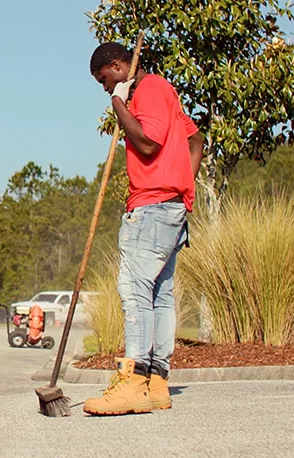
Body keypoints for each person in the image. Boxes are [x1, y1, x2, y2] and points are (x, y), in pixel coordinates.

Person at [84, 42, 203, 416]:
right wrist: (183, 182)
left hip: (152, 206)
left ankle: (133, 381)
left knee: (134, 290)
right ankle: (156, 381)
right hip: (170, 206)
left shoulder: (148, 89)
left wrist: (119, 104)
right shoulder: (165, 92)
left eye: (105, 80)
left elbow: (148, 144)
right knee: (159, 295)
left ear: (118, 67)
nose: (105, 88)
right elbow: (195, 139)